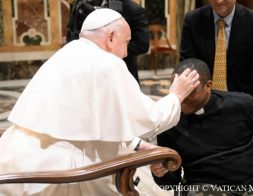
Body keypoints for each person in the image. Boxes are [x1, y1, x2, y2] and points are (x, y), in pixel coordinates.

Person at [0, 9, 200, 195]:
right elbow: (149, 119)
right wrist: (176, 95)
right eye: (126, 43)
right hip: (64, 173)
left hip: (18, 160)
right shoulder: (108, 64)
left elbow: (89, 116)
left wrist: (136, 144)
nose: (126, 53)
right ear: (111, 37)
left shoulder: (67, 52)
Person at [151, 58, 253, 196]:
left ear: (208, 86)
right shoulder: (168, 119)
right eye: (179, 90)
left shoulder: (241, 104)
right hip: (205, 188)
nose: (183, 98)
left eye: (191, 91)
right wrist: (161, 172)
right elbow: (171, 182)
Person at [180, 0, 253, 107]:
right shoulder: (193, 20)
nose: (219, 1)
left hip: (242, 105)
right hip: (203, 104)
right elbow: (186, 67)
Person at [67, 0, 150, 83]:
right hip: (87, 75)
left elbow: (142, 45)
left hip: (120, 78)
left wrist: (106, 50)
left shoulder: (132, 9)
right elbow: (72, 34)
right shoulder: (82, 5)